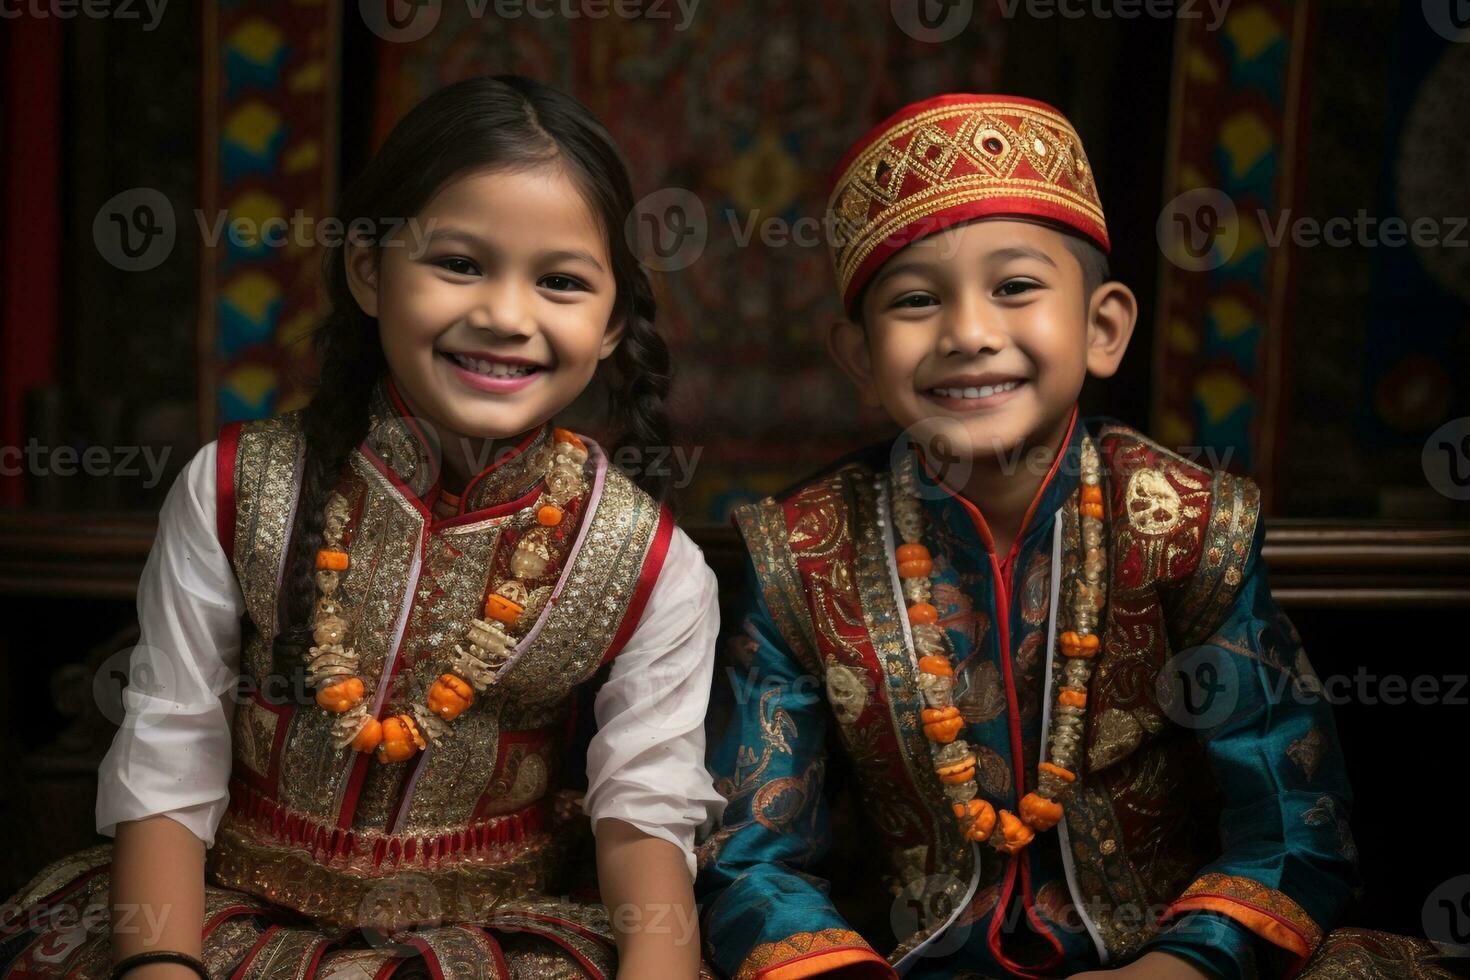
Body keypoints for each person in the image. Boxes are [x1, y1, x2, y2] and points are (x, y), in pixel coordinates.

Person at [1, 75, 724, 980]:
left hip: (495, 945)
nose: (505, 315)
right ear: (368, 272)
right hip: (225, 919)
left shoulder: (654, 564)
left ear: (614, 323)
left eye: (561, 281)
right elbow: (169, 751)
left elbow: (643, 817)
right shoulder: (236, 488)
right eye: (459, 263)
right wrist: (162, 967)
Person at [695, 93, 1415, 979]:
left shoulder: (1186, 526)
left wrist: (1186, 965)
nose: (969, 333)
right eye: (917, 300)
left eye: (1016, 287)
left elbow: (1294, 818)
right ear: (859, 358)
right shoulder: (804, 553)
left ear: (1103, 327)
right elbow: (748, 852)